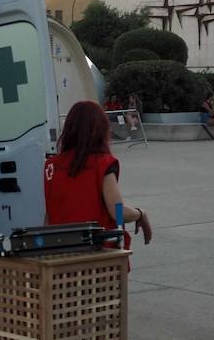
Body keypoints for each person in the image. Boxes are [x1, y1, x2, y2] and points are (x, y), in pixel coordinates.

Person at [44, 101, 153, 245]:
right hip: (97, 252)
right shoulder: (103, 163)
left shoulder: (51, 166)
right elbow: (117, 211)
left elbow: (49, 215)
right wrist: (140, 214)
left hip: (60, 250)